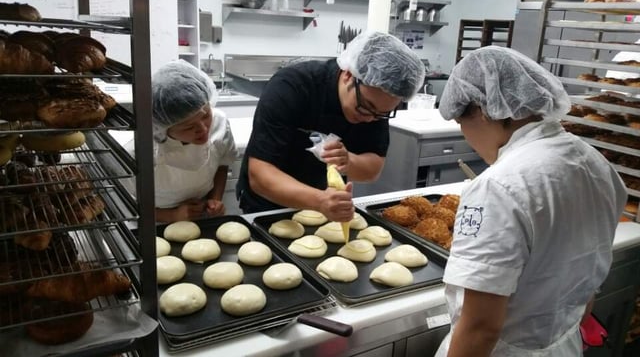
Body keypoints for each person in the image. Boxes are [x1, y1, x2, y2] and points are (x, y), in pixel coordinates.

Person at [435, 46, 627, 356]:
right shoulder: (595, 163)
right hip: (564, 344)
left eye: (462, 125)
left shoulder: (497, 186)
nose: (467, 139)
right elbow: (587, 282)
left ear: (483, 112)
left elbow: (481, 327)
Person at [236, 31, 425, 221]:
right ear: (349, 75)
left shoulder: (375, 107)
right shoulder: (292, 86)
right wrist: (319, 201)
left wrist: (348, 161)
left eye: (382, 114)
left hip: (324, 207)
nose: (370, 119)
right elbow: (260, 175)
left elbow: (373, 168)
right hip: (268, 205)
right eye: (365, 107)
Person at [124, 60, 237, 223]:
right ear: (163, 129)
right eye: (189, 127)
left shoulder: (219, 123)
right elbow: (124, 204)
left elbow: (222, 164)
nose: (204, 129)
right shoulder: (138, 153)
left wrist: (215, 199)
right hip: (152, 222)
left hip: (202, 215)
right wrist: (172, 216)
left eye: (206, 116)